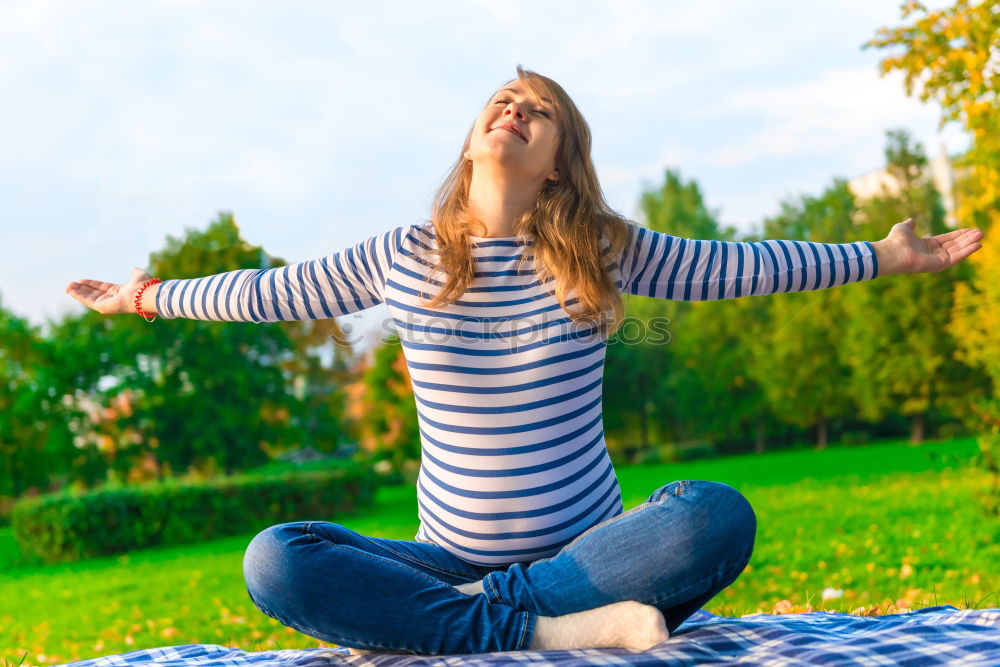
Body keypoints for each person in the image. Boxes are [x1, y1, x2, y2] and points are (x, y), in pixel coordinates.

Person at [65, 65, 984, 657]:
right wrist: (146, 296)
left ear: (557, 161)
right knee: (277, 560)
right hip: (447, 562)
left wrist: (885, 255)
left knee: (714, 514)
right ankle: (542, 630)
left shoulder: (600, 246)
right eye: (500, 103)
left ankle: (494, 622)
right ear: (474, 140)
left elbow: (740, 263)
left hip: (593, 557)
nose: (513, 110)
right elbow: (271, 291)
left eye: (537, 110)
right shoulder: (404, 253)